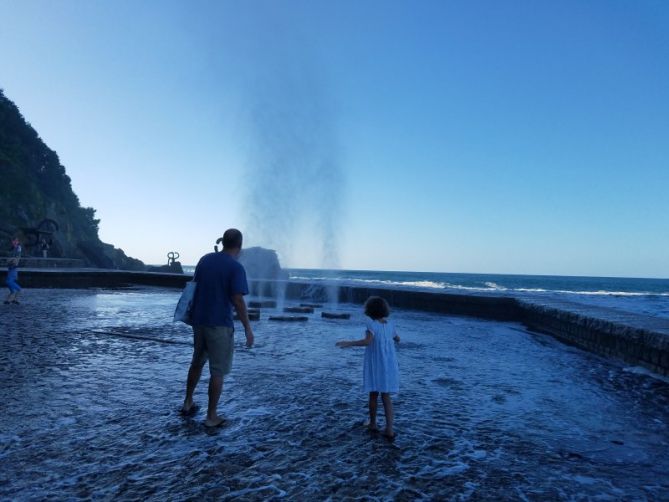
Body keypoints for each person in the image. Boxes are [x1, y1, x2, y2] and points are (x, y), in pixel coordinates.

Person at [181, 228, 255, 427]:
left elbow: (195, 285)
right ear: (239, 246)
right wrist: (248, 328)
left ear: (223, 242)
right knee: (217, 371)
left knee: (197, 362)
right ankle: (211, 416)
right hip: (219, 324)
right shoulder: (235, 267)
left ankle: (188, 402)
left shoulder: (205, 260)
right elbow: (238, 299)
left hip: (199, 321)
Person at [336, 296, 400, 439]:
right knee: (386, 396)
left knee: (373, 394)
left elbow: (367, 342)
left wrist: (348, 343)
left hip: (376, 364)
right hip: (389, 365)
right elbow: (397, 338)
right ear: (384, 310)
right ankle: (389, 428)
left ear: (369, 311)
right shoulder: (390, 325)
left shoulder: (371, 325)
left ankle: (373, 423)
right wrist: (393, 341)